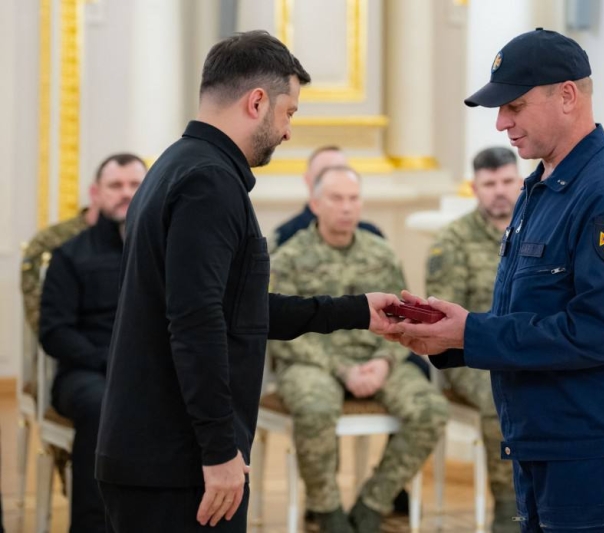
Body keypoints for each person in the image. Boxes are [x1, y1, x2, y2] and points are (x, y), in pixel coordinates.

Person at [95, 30, 399, 533]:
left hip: (158, 453)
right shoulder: (209, 182)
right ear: (257, 102)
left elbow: (238, 308)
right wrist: (219, 451)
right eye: (288, 113)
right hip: (179, 463)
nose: (288, 132)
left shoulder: (178, 164)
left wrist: (356, 310)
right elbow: (196, 323)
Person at [387, 28, 604, 532]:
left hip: (593, 455)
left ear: (567, 96)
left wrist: (471, 332)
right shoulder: (544, 187)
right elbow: (530, 316)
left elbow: (597, 333)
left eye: (515, 106)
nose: (502, 122)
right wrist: (452, 338)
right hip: (544, 444)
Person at [270, 165, 447, 533]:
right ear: (315, 204)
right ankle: (326, 510)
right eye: (336, 198)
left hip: (376, 357)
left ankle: (373, 503)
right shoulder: (289, 258)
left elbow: (401, 318)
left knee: (431, 409)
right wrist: (342, 369)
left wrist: (383, 362)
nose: (347, 207)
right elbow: (284, 332)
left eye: (353, 198)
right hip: (312, 362)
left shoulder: (381, 253)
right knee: (316, 407)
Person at [38, 153, 147, 533]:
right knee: (104, 407)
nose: (126, 193)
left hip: (149, 370)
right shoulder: (70, 256)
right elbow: (54, 332)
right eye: (116, 186)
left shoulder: (164, 251)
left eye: (135, 185)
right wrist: (112, 362)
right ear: (96, 194)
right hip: (86, 374)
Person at [425, 146, 521, 532]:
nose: (500, 191)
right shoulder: (453, 241)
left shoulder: (537, 230)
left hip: (526, 346)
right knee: (502, 393)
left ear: (520, 182)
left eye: (507, 181)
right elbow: (443, 321)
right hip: (470, 355)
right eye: (490, 183)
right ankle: (510, 510)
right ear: (474, 188)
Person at [270, 145, 383, 250]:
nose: (335, 178)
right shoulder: (286, 237)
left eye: (340, 171)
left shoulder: (372, 236)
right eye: (324, 173)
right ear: (307, 179)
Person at [21, 205, 98, 332]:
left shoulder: (127, 237)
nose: (126, 195)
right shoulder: (52, 239)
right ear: (95, 195)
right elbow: (36, 306)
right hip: (68, 334)